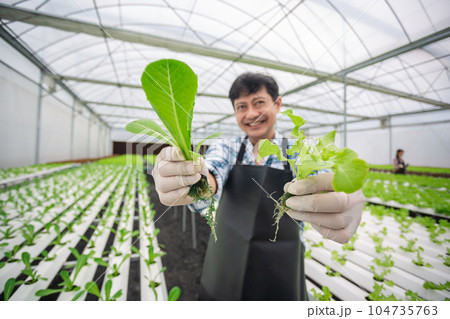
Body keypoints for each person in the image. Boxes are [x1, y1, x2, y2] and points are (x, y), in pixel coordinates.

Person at [151, 73, 365, 301]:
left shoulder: (297, 150)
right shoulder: (227, 148)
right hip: (226, 261)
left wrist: (340, 196)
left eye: (259, 103)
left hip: (282, 263)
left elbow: (321, 178)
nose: (251, 113)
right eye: (241, 106)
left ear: (278, 104)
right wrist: (195, 180)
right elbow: (212, 172)